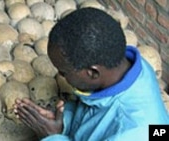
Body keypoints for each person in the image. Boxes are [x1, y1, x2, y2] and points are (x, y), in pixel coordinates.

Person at [14, 7, 169, 141]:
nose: (60, 76)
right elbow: (99, 112)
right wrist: (65, 120)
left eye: (63, 72)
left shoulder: (132, 133)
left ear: (93, 72)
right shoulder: (132, 66)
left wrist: (51, 135)